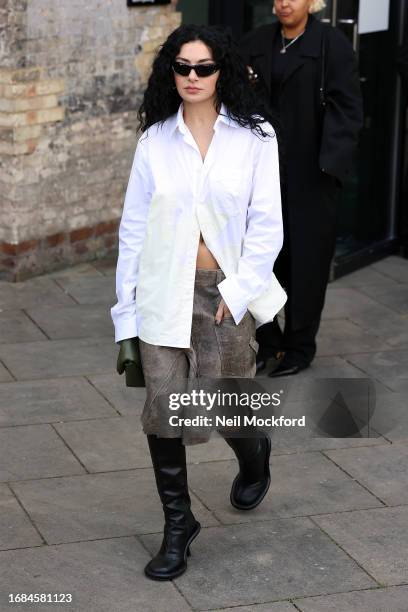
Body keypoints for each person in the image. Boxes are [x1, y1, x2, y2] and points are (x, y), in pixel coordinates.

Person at [110, 24, 286, 581]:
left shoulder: (255, 138)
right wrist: (127, 309)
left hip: (225, 292)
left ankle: (254, 454)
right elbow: (133, 230)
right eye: (181, 67)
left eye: (202, 68)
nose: (191, 77)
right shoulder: (154, 141)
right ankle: (178, 525)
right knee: (164, 411)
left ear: (221, 72)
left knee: (231, 398)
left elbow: (268, 227)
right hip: (163, 293)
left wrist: (237, 294)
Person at [239, 0, 364, 376]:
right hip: (260, 173)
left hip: (312, 174)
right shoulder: (257, 41)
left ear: (313, 2)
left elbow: (348, 107)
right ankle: (267, 340)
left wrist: (331, 165)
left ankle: (299, 346)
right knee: (259, 258)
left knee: (306, 264)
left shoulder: (331, 44)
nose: (284, 3)